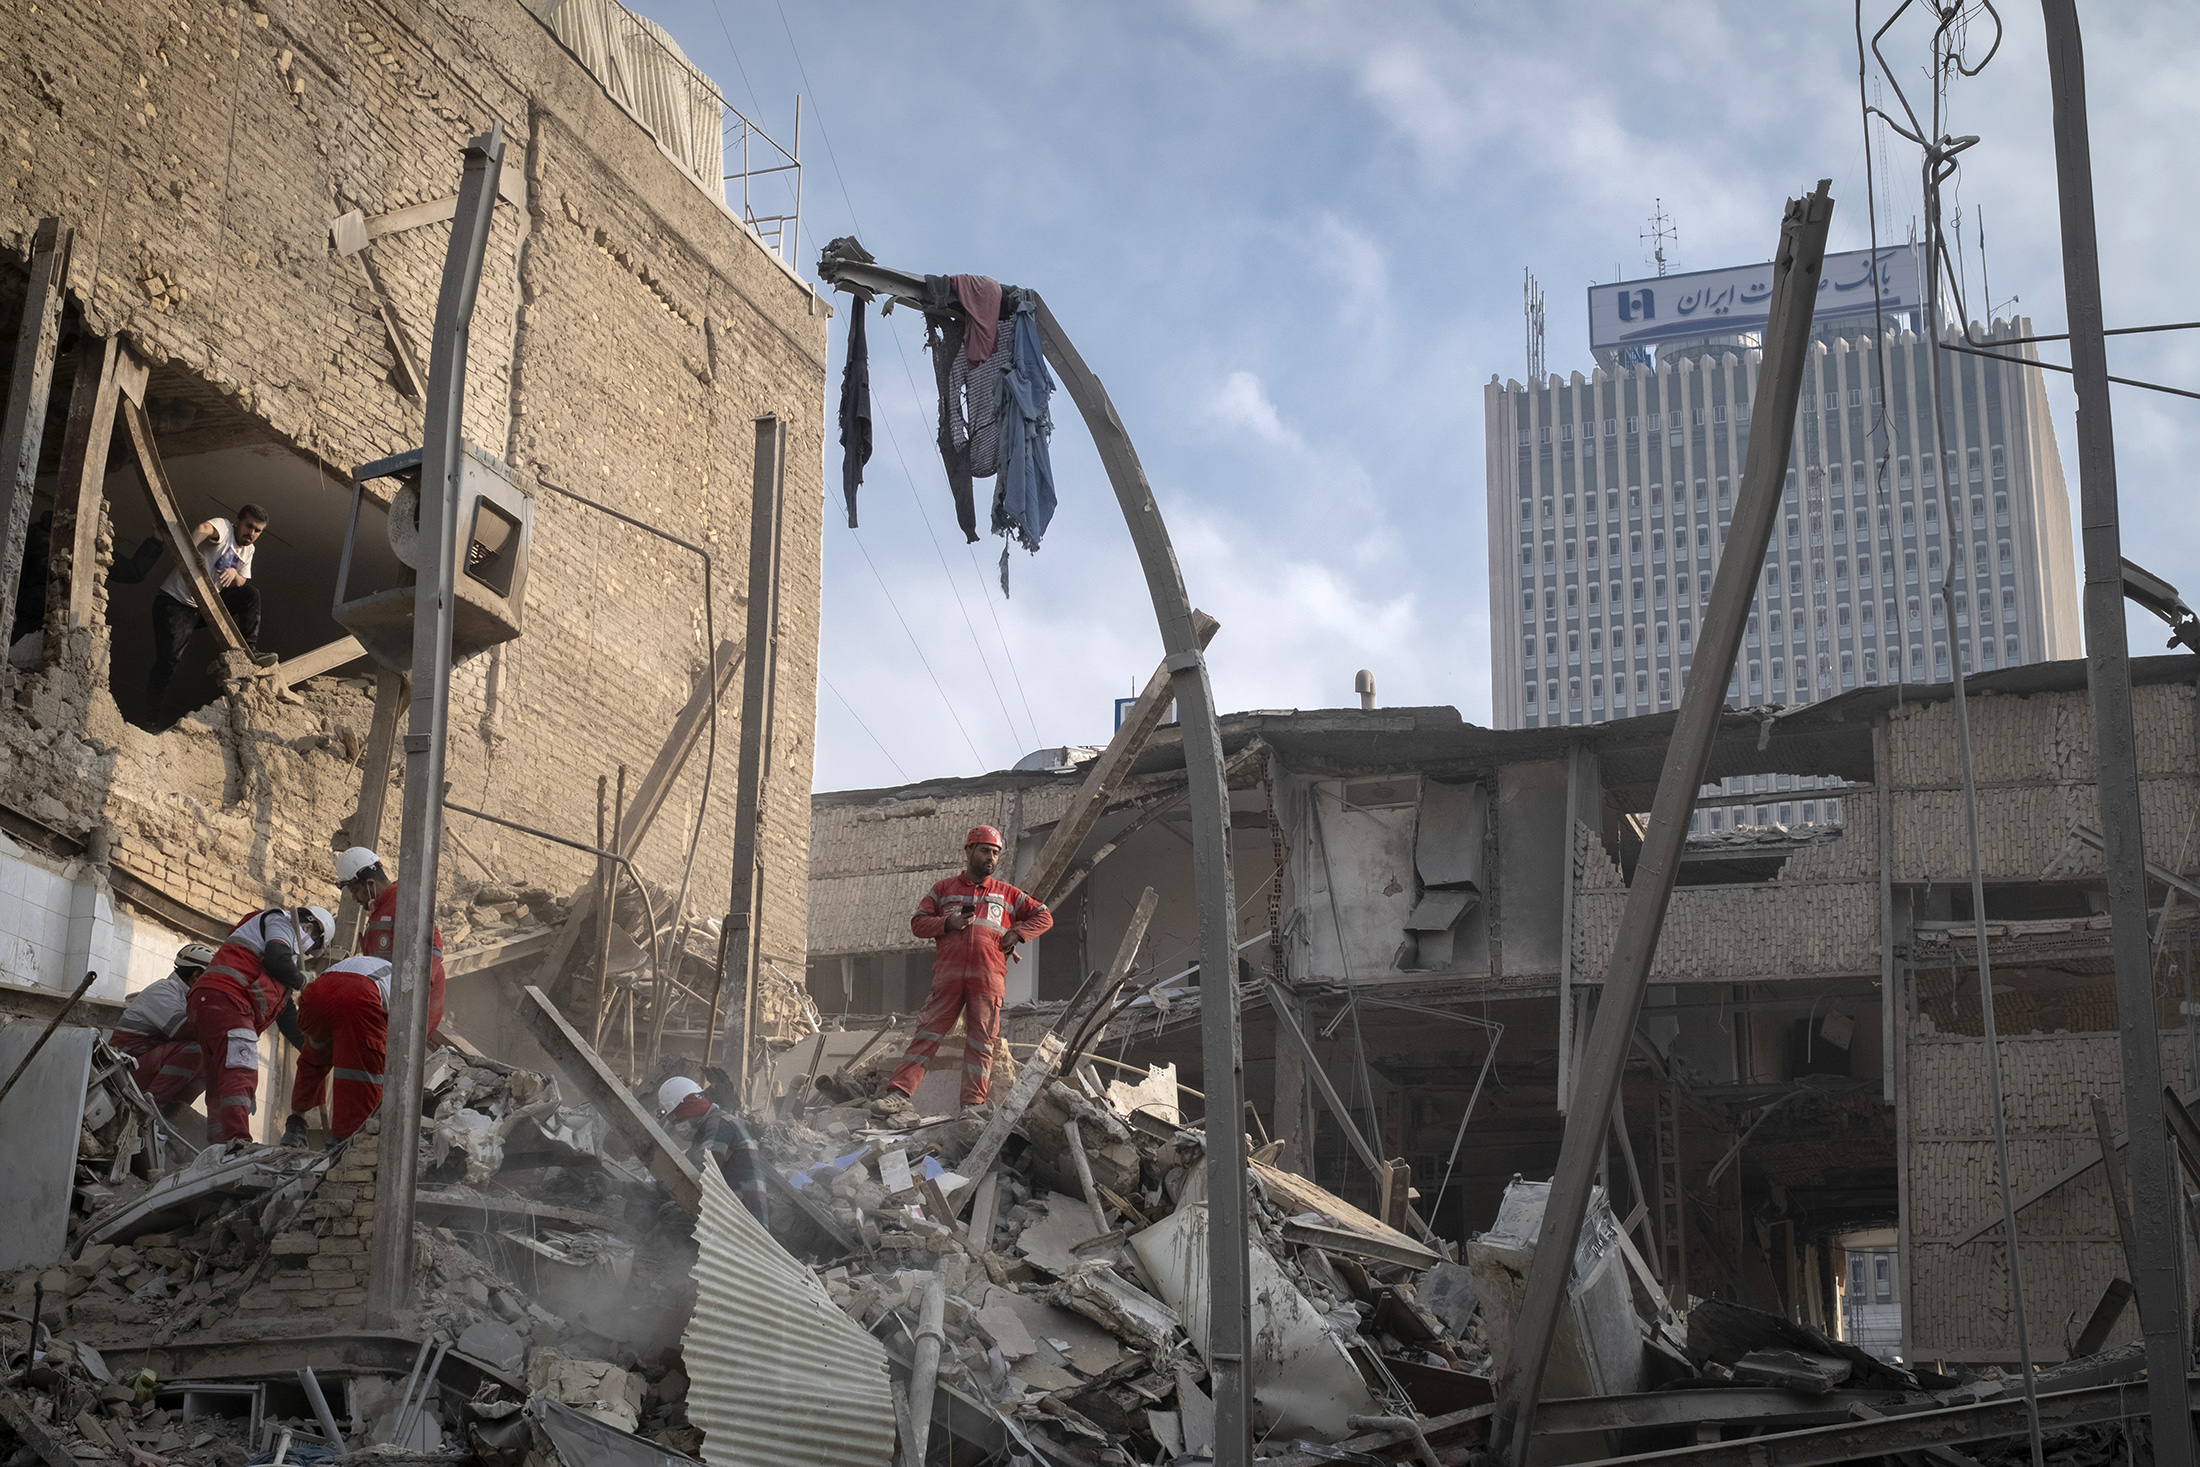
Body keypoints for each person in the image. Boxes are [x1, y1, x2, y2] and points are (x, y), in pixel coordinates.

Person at [873, 825, 1052, 1117]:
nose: (990, 858)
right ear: (969, 850)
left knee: (981, 1042)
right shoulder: (943, 890)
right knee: (928, 1033)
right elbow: (917, 923)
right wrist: (948, 923)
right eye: (985, 850)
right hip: (948, 976)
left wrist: (1017, 933)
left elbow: (1044, 916)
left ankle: (972, 1106)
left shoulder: (1007, 894)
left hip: (988, 979)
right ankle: (899, 1094)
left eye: (995, 853)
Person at [188, 903, 332, 1144]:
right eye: (312, 948)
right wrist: (301, 980)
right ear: (310, 927)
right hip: (230, 999)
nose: (305, 955)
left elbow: (287, 1018)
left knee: (217, 1083)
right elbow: (278, 959)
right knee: (240, 1071)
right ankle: (237, 1143)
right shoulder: (281, 922)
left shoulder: (272, 956)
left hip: (210, 1000)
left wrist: (311, 1047)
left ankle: (218, 1147)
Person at [146, 503, 276, 723]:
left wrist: (234, 573)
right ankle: (151, 719)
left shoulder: (249, 549)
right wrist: (191, 551)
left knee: (250, 594)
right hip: (176, 603)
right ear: (238, 521)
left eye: (257, 531)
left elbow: (242, 580)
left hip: (203, 607)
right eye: (248, 526)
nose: (251, 534)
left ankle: (250, 649)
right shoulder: (224, 528)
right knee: (169, 661)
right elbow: (203, 529)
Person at [282, 955, 397, 1144]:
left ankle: (295, 1126)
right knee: (361, 1072)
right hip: (359, 996)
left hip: (315, 994)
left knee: (313, 1059)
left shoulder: (370, 963)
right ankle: (344, 1142)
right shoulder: (405, 985)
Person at [335, 845, 446, 1030]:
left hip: (413, 1000)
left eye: (355, 890)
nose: (354, 898)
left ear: (370, 884)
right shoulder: (378, 911)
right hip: (390, 997)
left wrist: (409, 994)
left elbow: (431, 949)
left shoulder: (404, 901)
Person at [108, 942, 219, 1114]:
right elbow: (185, 1030)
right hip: (124, 1074)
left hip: (140, 1069)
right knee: (196, 1050)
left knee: (211, 1060)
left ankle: (173, 1114)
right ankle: (150, 1113)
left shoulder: (185, 998)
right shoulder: (163, 990)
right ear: (196, 975)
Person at [655, 1076, 768, 1225]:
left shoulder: (720, 1125)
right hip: (731, 1214)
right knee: (662, 1209)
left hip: (745, 1224)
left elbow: (699, 1176)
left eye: (676, 1118)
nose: (676, 1126)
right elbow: (686, 1173)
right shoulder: (704, 1134)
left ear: (688, 1108)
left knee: (671, 1219)